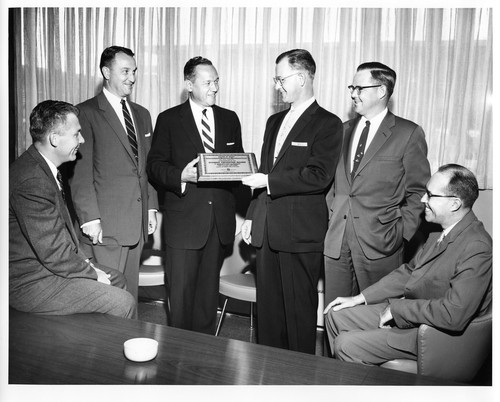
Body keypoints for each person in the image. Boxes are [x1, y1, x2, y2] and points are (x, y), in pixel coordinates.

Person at [323, 164, 492, 365]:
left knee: (346, 344)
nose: (422, 199)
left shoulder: (477, 246)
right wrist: (359, 298)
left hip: (435, 336)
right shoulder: (438, 233)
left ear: (454, 204)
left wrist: (398, 309)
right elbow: (409, 272)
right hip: (418, 318)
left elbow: (453, 314)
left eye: (430, 195)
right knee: (335, 315)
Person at [241, 49, 343, 354]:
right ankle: (268, 369)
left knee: (299, 313)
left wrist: (270, 182)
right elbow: (263, 171)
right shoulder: (274, 121)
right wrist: (250, 216)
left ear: (301, 78)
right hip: (268, 231)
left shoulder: (328, 123)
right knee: (269, 312)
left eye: (280, 78)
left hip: (300, 235)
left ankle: (301, 379)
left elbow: (319, 176)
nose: (277, 86)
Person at [9, 100, 137, 318]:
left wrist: (88, 265)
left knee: (117, 278)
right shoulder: (31, 180)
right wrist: (93, 274)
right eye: (77, 134)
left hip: (48, 269)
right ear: (54, 139)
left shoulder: (42, 167)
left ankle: (101, 343)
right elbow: (54, 253)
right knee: (123, 301)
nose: (83, 139)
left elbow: (61, 238)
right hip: (31, 282)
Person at [146, 56, 244, 334]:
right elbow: (154, 166)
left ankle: (203, 356)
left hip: (218, 222)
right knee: (180, 297)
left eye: (216, 81)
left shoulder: (229, 118)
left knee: (206, 299)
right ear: (189, 85)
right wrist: (181, 176)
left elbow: (236, 164)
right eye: (207, 82)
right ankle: (176, 358)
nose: (214, 88)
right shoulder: (168, 119)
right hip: (184, 222)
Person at [324, 62, 431, 308]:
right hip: (337, 241)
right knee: (334, 313)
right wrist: (331, 213)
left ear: (382, 91)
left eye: (359, 88)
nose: (353, 94)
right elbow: (332, 184)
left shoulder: (408, 133)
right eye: (352, 87)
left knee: (376, 319)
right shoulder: (342, 130)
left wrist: (400, 234)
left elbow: (419, 191)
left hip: (381, 245)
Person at [69, 46, 159, 302]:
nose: (132, 77)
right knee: (108, 297)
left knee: (129, 296)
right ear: (106, 72)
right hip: (104, 226)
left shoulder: (142, 114)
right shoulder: (84, 113)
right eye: (125, 71)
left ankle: (128, 340)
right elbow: (80, 173)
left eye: (134, 71)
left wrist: (151, 206)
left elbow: (146, 166)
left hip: (137, 223)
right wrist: (89, 218)